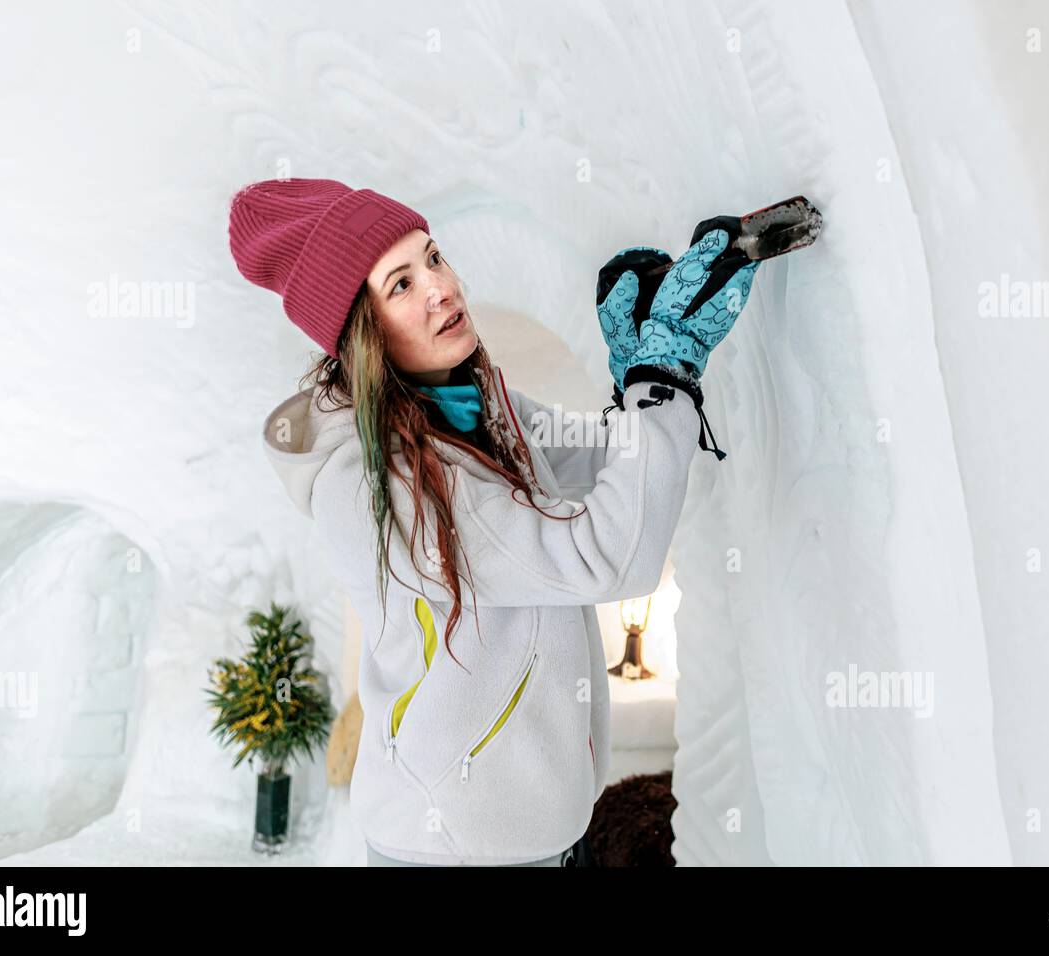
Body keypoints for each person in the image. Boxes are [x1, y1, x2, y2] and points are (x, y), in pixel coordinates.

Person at [228, 177, 759, 866]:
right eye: (400, 285)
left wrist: (636, 378)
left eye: (435, 257)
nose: (441, 288)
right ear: (363, 335)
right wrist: (665, 377)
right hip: (457, 844)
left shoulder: (469, 403)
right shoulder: (379, 485)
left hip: (528, 826)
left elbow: (596, 457)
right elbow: (606, 557)